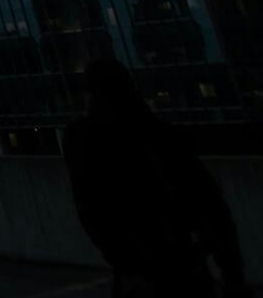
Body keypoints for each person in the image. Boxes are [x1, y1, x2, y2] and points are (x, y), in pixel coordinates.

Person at [64, 58, 248, 298]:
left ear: (90, 93)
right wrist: (232, 277)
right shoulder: (161, 136)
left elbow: (90, 210)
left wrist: (126, 260)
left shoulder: (83, 140)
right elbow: (212, 208)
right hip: (182, 265)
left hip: (141, 272)